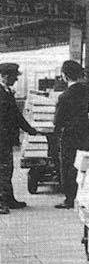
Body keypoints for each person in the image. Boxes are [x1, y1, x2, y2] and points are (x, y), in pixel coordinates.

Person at [0, 63, 43, 214]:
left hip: (5, 139)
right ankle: (1, 203)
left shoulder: (6, 92)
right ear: (4, 76)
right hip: (1, 138)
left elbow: (16, 116)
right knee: (2, 170)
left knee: (7, 169)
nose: (16, 80)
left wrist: (30, 130)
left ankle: (8, 199)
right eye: (13, 77)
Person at [54, 60, 89, 209]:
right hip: (85, 133)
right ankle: (83, 195)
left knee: (68, 165)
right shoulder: (86, 92)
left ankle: (69, 199)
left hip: (69, 135)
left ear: (64, 76)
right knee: (83, 164)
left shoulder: (64, 96)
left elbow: (58, 120)